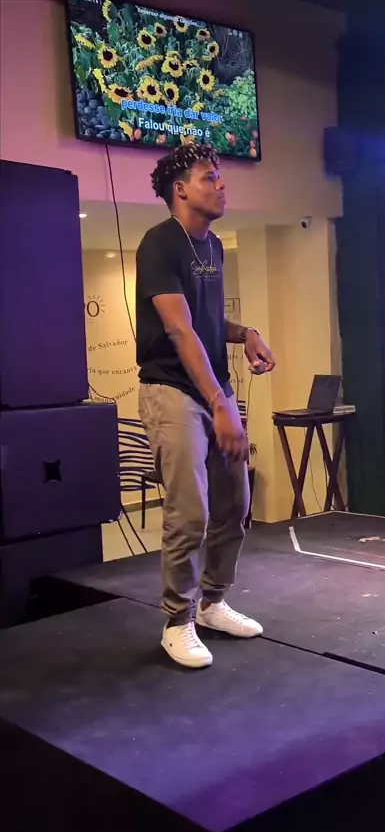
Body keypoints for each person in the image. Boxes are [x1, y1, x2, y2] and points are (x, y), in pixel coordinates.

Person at [136, 143, 275, 669]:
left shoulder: (212, 246)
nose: (221, 185)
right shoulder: (159, 243)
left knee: (235, 504)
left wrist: (247, 334)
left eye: (220, 177)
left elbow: (207, 322)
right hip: (172, 390)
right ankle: (178, 621)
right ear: (180, 189)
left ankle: (213, 603)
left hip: (214, 388)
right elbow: (178, 328)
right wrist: (220, 402)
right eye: (209, 177)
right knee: (190, 511)